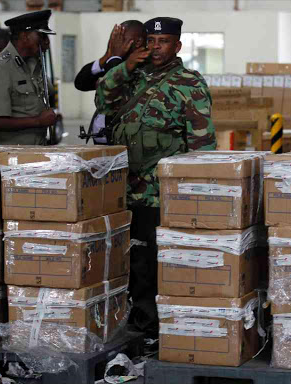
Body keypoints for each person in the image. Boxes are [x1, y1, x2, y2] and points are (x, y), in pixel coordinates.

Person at [96, 17, 216, 337]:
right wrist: (123, 66)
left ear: (177, 46)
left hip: (158, 190)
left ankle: (153, 327)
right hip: (124, 188)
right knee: (129, 259)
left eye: (163, 42)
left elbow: (202, 146)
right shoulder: (132, 78)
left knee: (152, 260)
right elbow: (102, 100)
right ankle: (136, 318)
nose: (155, 47)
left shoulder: (189, 84)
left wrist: (194, 193)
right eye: (150, 40)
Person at [0, 10, 57, 145]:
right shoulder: (0, 67)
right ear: (25, 36)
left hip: (36, 150)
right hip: (10, 157)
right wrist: (38, 121)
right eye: (42, 36)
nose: (46, 43)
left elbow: (49, 93)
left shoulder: (35, 65)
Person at [75, 21, 146, 144]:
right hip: (102, 142)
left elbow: (113, 91)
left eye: (121, 38)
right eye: (114, 39)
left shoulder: (140, 67)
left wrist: (114, 57)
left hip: (122, 141)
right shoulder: (115, 62)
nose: (115, 44)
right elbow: (81, 82)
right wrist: (107, 56)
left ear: (138, 42)